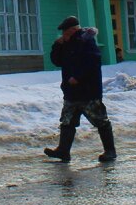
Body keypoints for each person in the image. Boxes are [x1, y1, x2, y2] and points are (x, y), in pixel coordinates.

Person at [43, 15, 117, 163]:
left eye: (65, 31)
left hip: (88, 91)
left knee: (100, 120)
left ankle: (110, 151)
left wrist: (78, 76)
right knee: (67, 121)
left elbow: (92, 62)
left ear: (72, 30)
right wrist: (57, 45)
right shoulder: (66, 43)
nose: (63, 34)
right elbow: (57, 61)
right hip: (71, 92)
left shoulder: (86, 41)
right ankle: (63, 151)